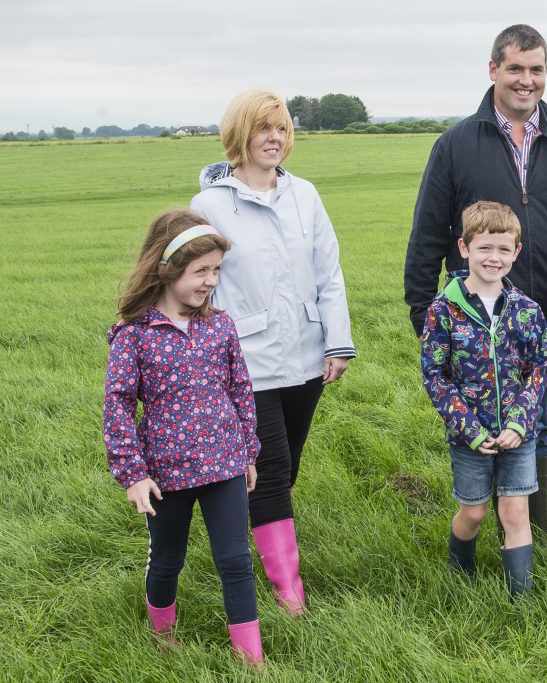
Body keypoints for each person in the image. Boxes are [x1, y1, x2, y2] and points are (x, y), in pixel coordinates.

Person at [405, 24, 547, 538]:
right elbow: (429, 231)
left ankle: (527, 533)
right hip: (474, 322)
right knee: (482, 420)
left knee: (536, 421)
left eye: (537, 69)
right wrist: (421, 312)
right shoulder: (456, 144)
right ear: (494, 69)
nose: (527, 80)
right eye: (516, 68)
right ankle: (484, 516)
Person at [190, 90, 355, 614]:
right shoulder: (210, 205)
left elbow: (329, 273)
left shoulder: (305, 194)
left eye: (282, 129)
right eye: (264, 129)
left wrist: (337, 342)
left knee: (284, 468)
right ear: (240, 135)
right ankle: (289, 593)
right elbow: (199, 284)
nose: (275, 139)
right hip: (247, 361)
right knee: (273, 468)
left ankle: (238, 535)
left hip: (307, 355)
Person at [103, 208, 263, 666]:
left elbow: (240, 390)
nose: (210, 280)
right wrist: (132, 474)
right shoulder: (133, 335)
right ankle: (163, 640)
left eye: (216, 269)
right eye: (200, 271)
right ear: (166, 269)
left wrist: (248, 452)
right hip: (164, 475)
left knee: (235, 560)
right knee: (167, 559)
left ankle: (251, 660)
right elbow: (118, 404)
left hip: (225, 465)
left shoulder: (221, 327)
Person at [420, 201, 547, 597]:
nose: (493, 258)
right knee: (475, 512)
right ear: (464, 248)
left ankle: (522, 599)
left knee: (515, 511)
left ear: (516, 252)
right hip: (469, 437)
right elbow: (434, 374)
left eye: (502, 250)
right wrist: (470, 430)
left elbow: (541, 367)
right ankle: (460, 579)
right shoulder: (443, 310)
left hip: (518, 434)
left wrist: (519, 422)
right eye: (484, 248)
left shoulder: (527, 311)